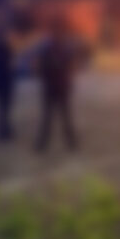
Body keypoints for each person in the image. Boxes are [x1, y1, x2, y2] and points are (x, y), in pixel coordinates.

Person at [35, 16, 79, 152]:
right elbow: (41, 68)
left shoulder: (58, 48)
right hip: (55, 87)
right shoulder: (52, 48)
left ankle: (67, 142)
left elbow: (70, 66)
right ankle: (66, 142)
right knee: (54, 117)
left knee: (59, 117)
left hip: (56, 87)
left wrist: (66, 79)